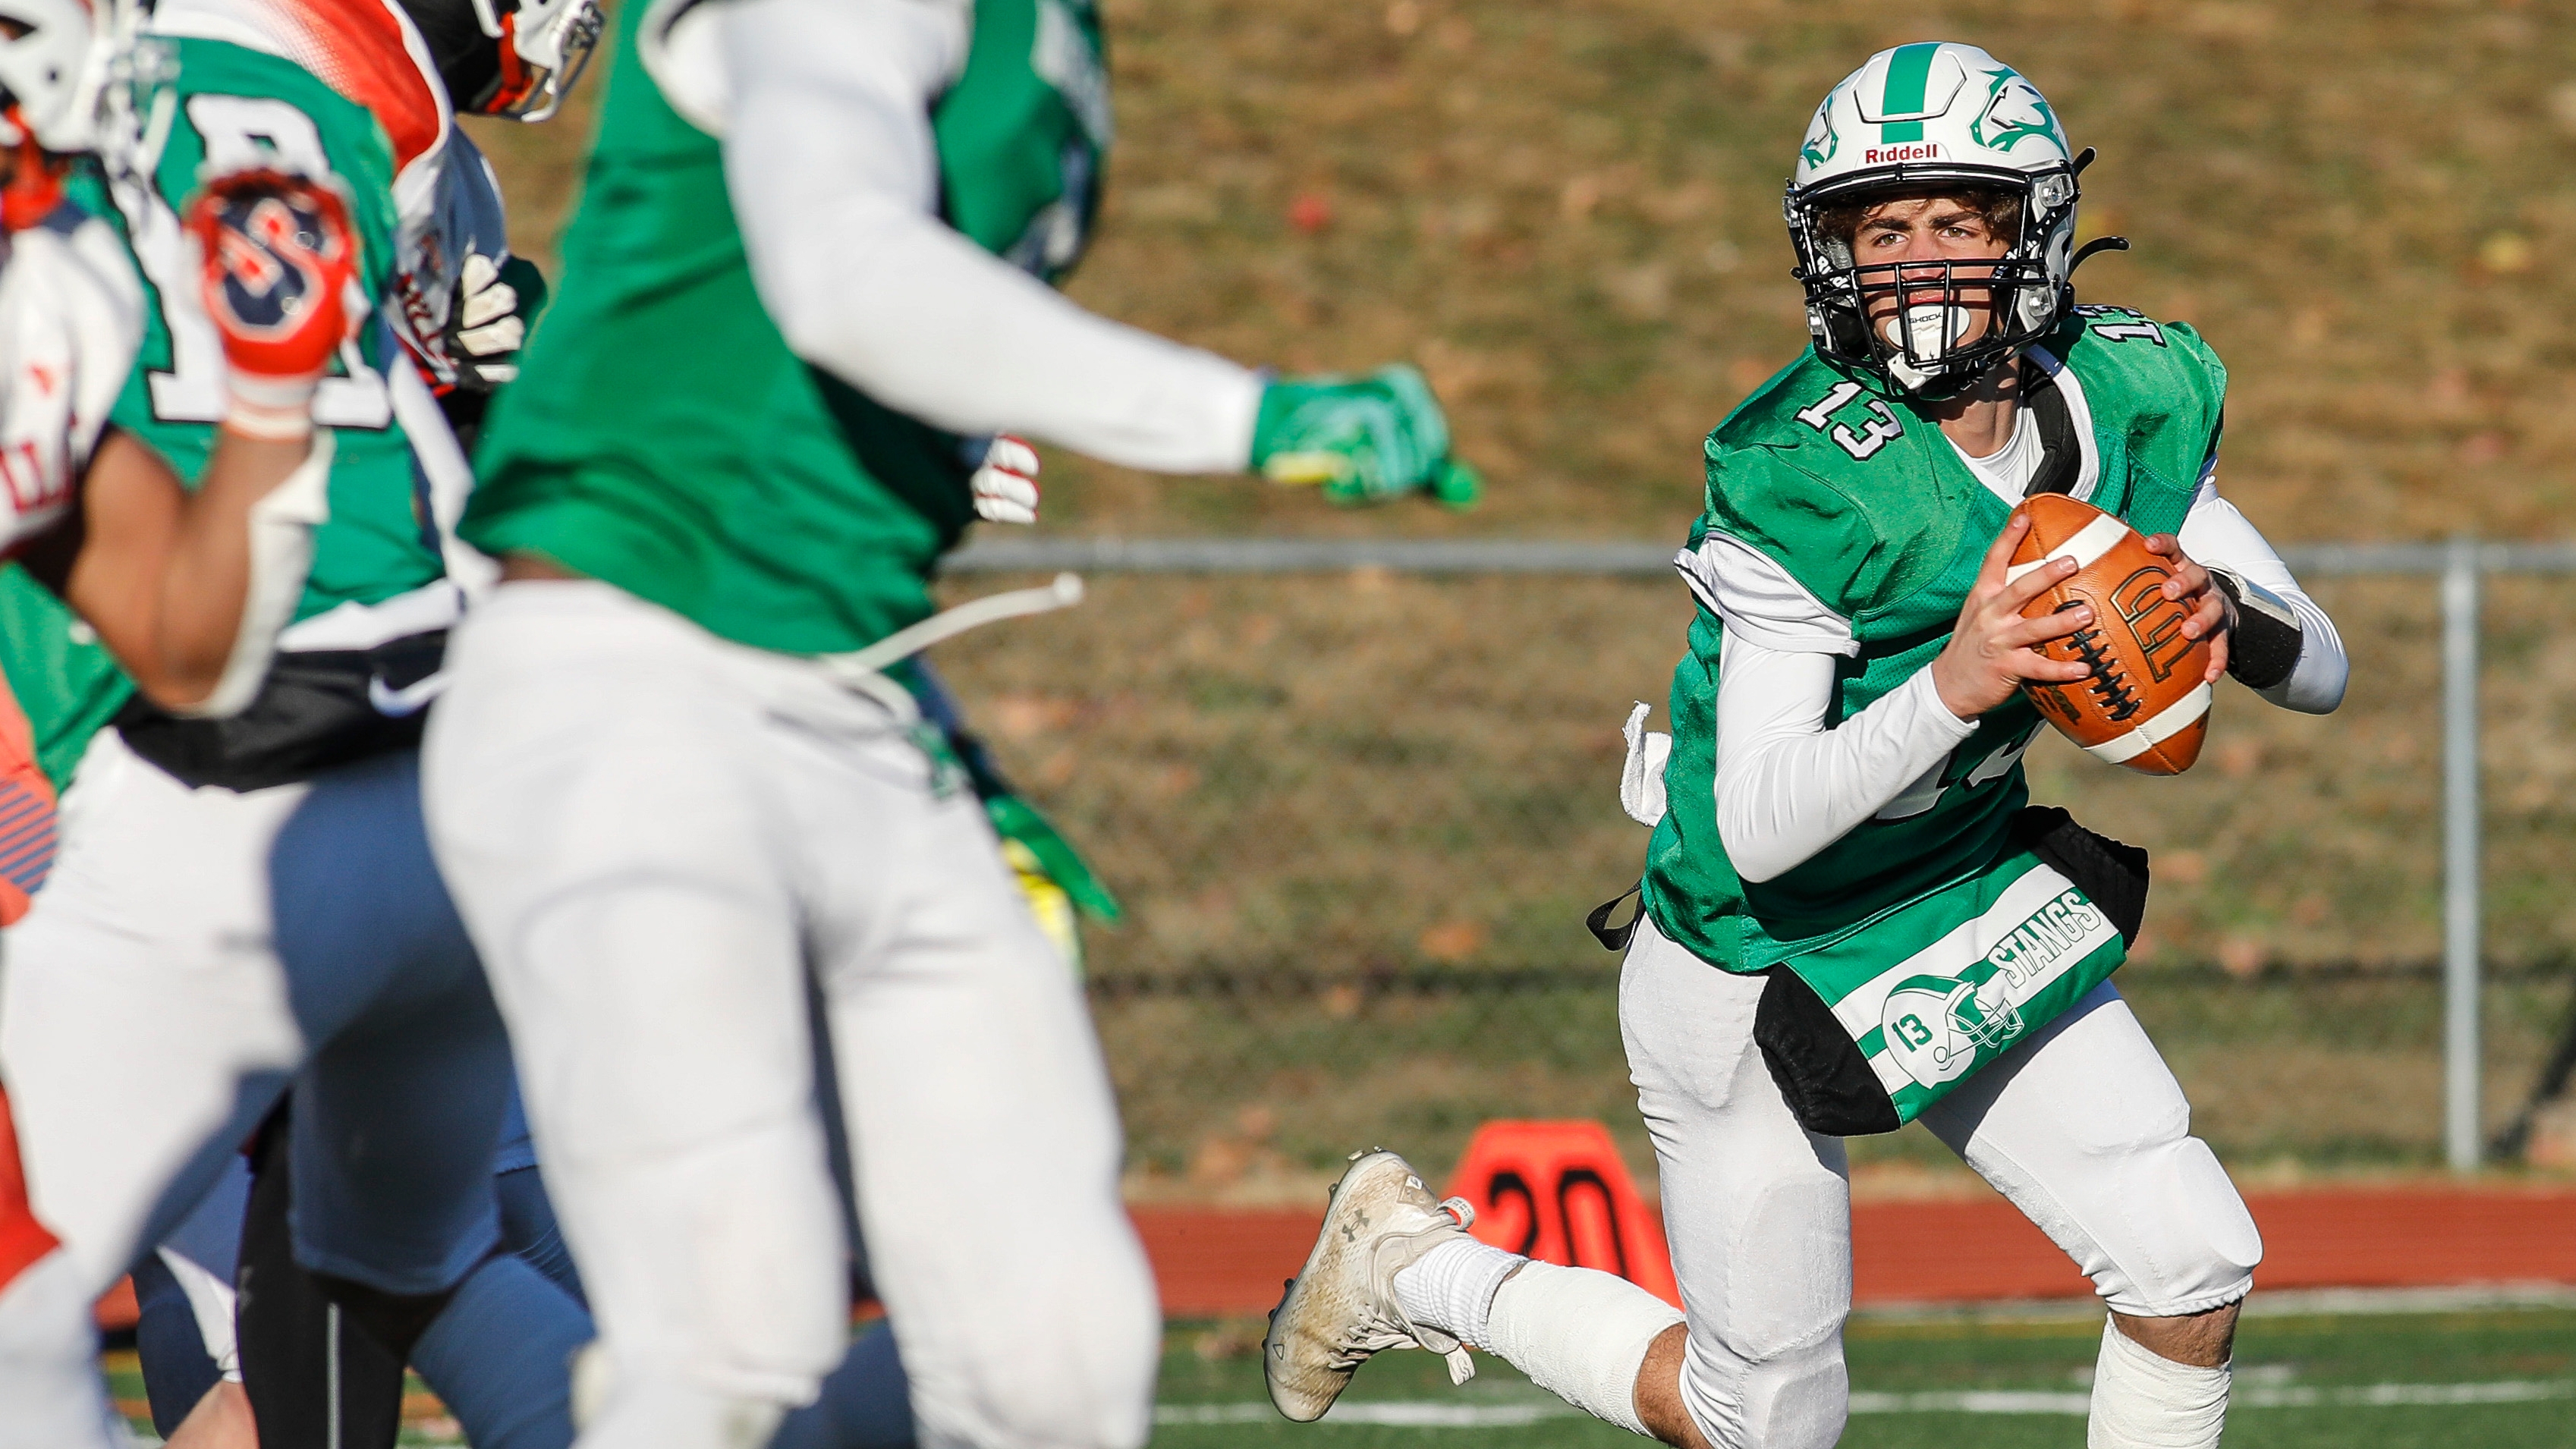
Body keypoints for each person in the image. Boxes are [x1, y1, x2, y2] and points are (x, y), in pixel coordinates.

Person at [419, 0, 1477, 1444]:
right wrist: (1245, 414)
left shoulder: (1046, 33)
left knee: (1056, 1348)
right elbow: (842, 270)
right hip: (637, 663)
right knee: (732, 1330)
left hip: (850, 690)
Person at [1262, 42, 2348, 1449]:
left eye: (1956, 223)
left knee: (2189, 1255)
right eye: (1879, 231)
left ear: (2036, 232)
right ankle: (1420, 1270)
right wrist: (1954, 687)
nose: (1915, 264)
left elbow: (2320, 666)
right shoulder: (1803, 469)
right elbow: (1762, 818)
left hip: (1957, 880)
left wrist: (2229, 616)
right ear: (1826, 251)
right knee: (1763, 1419)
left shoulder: (2130, 390)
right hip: (1755, 938)